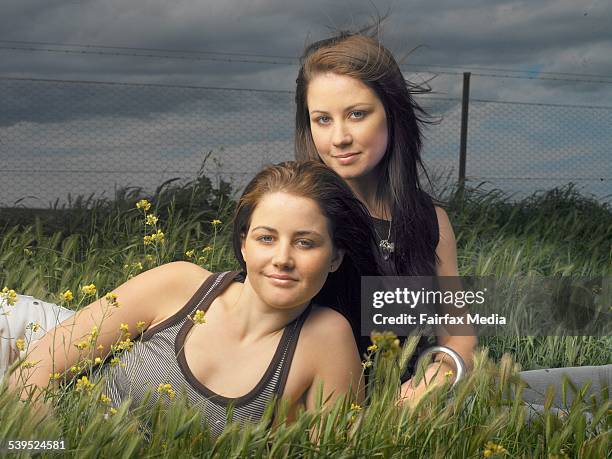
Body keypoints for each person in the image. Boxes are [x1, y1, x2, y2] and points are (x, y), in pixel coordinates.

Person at [294, 28, 611, 413]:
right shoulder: (302, 216)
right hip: (373, 416)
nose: (339, 137)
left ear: (392, 114)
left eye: (357, 114)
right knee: (574, 425)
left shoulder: (430, 220)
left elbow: (459, 334)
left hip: (439, 395)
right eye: (322, 119)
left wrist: (435, 379)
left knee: (599, 381)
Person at [1, 160, 381, 438]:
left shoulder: (326, 339)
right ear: (244, 245)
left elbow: (336, 448)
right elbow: (33, 373)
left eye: (305, 242)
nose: (282, 257)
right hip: (20, 343)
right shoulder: (180, 285)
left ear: (334, 257)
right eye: (266, 238)